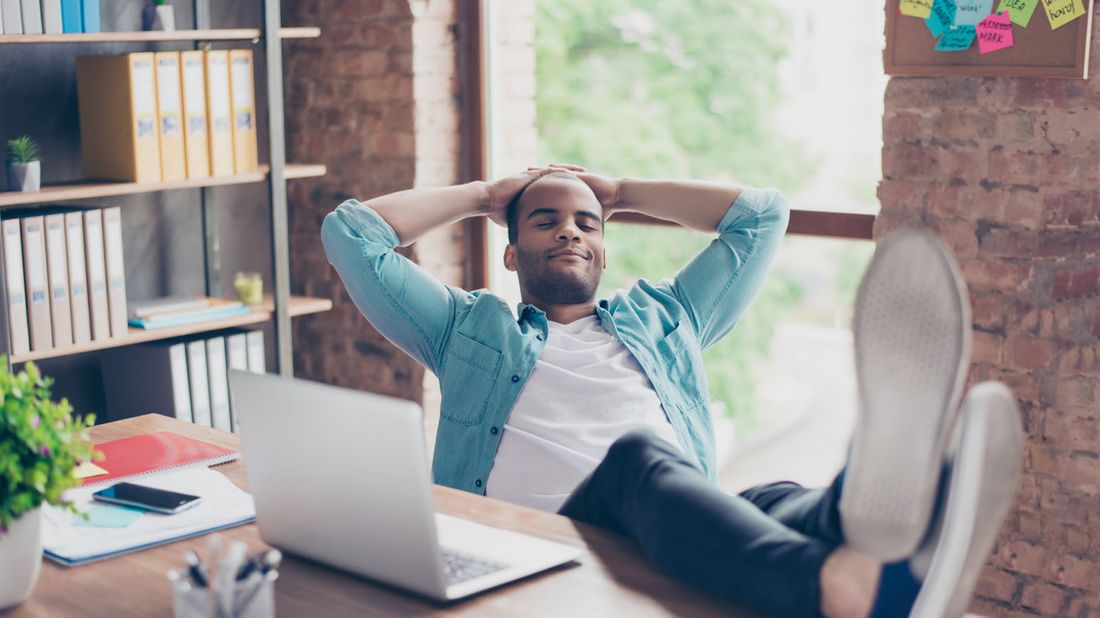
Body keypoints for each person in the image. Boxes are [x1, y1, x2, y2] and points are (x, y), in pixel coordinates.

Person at [321, 166, 1022, 617]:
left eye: (587, 223)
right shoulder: (467, 328)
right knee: (639, 462)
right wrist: (484, 196)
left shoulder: (666, 318)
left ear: (605, 249)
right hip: (549, 540)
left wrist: (623, 190)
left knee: (771, 497)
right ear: (511, 254)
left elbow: (762, 216)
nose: (570, 227)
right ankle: (845, 588)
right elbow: (351, 235)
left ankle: (866, 513)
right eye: (545, 220)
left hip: (665, 524)